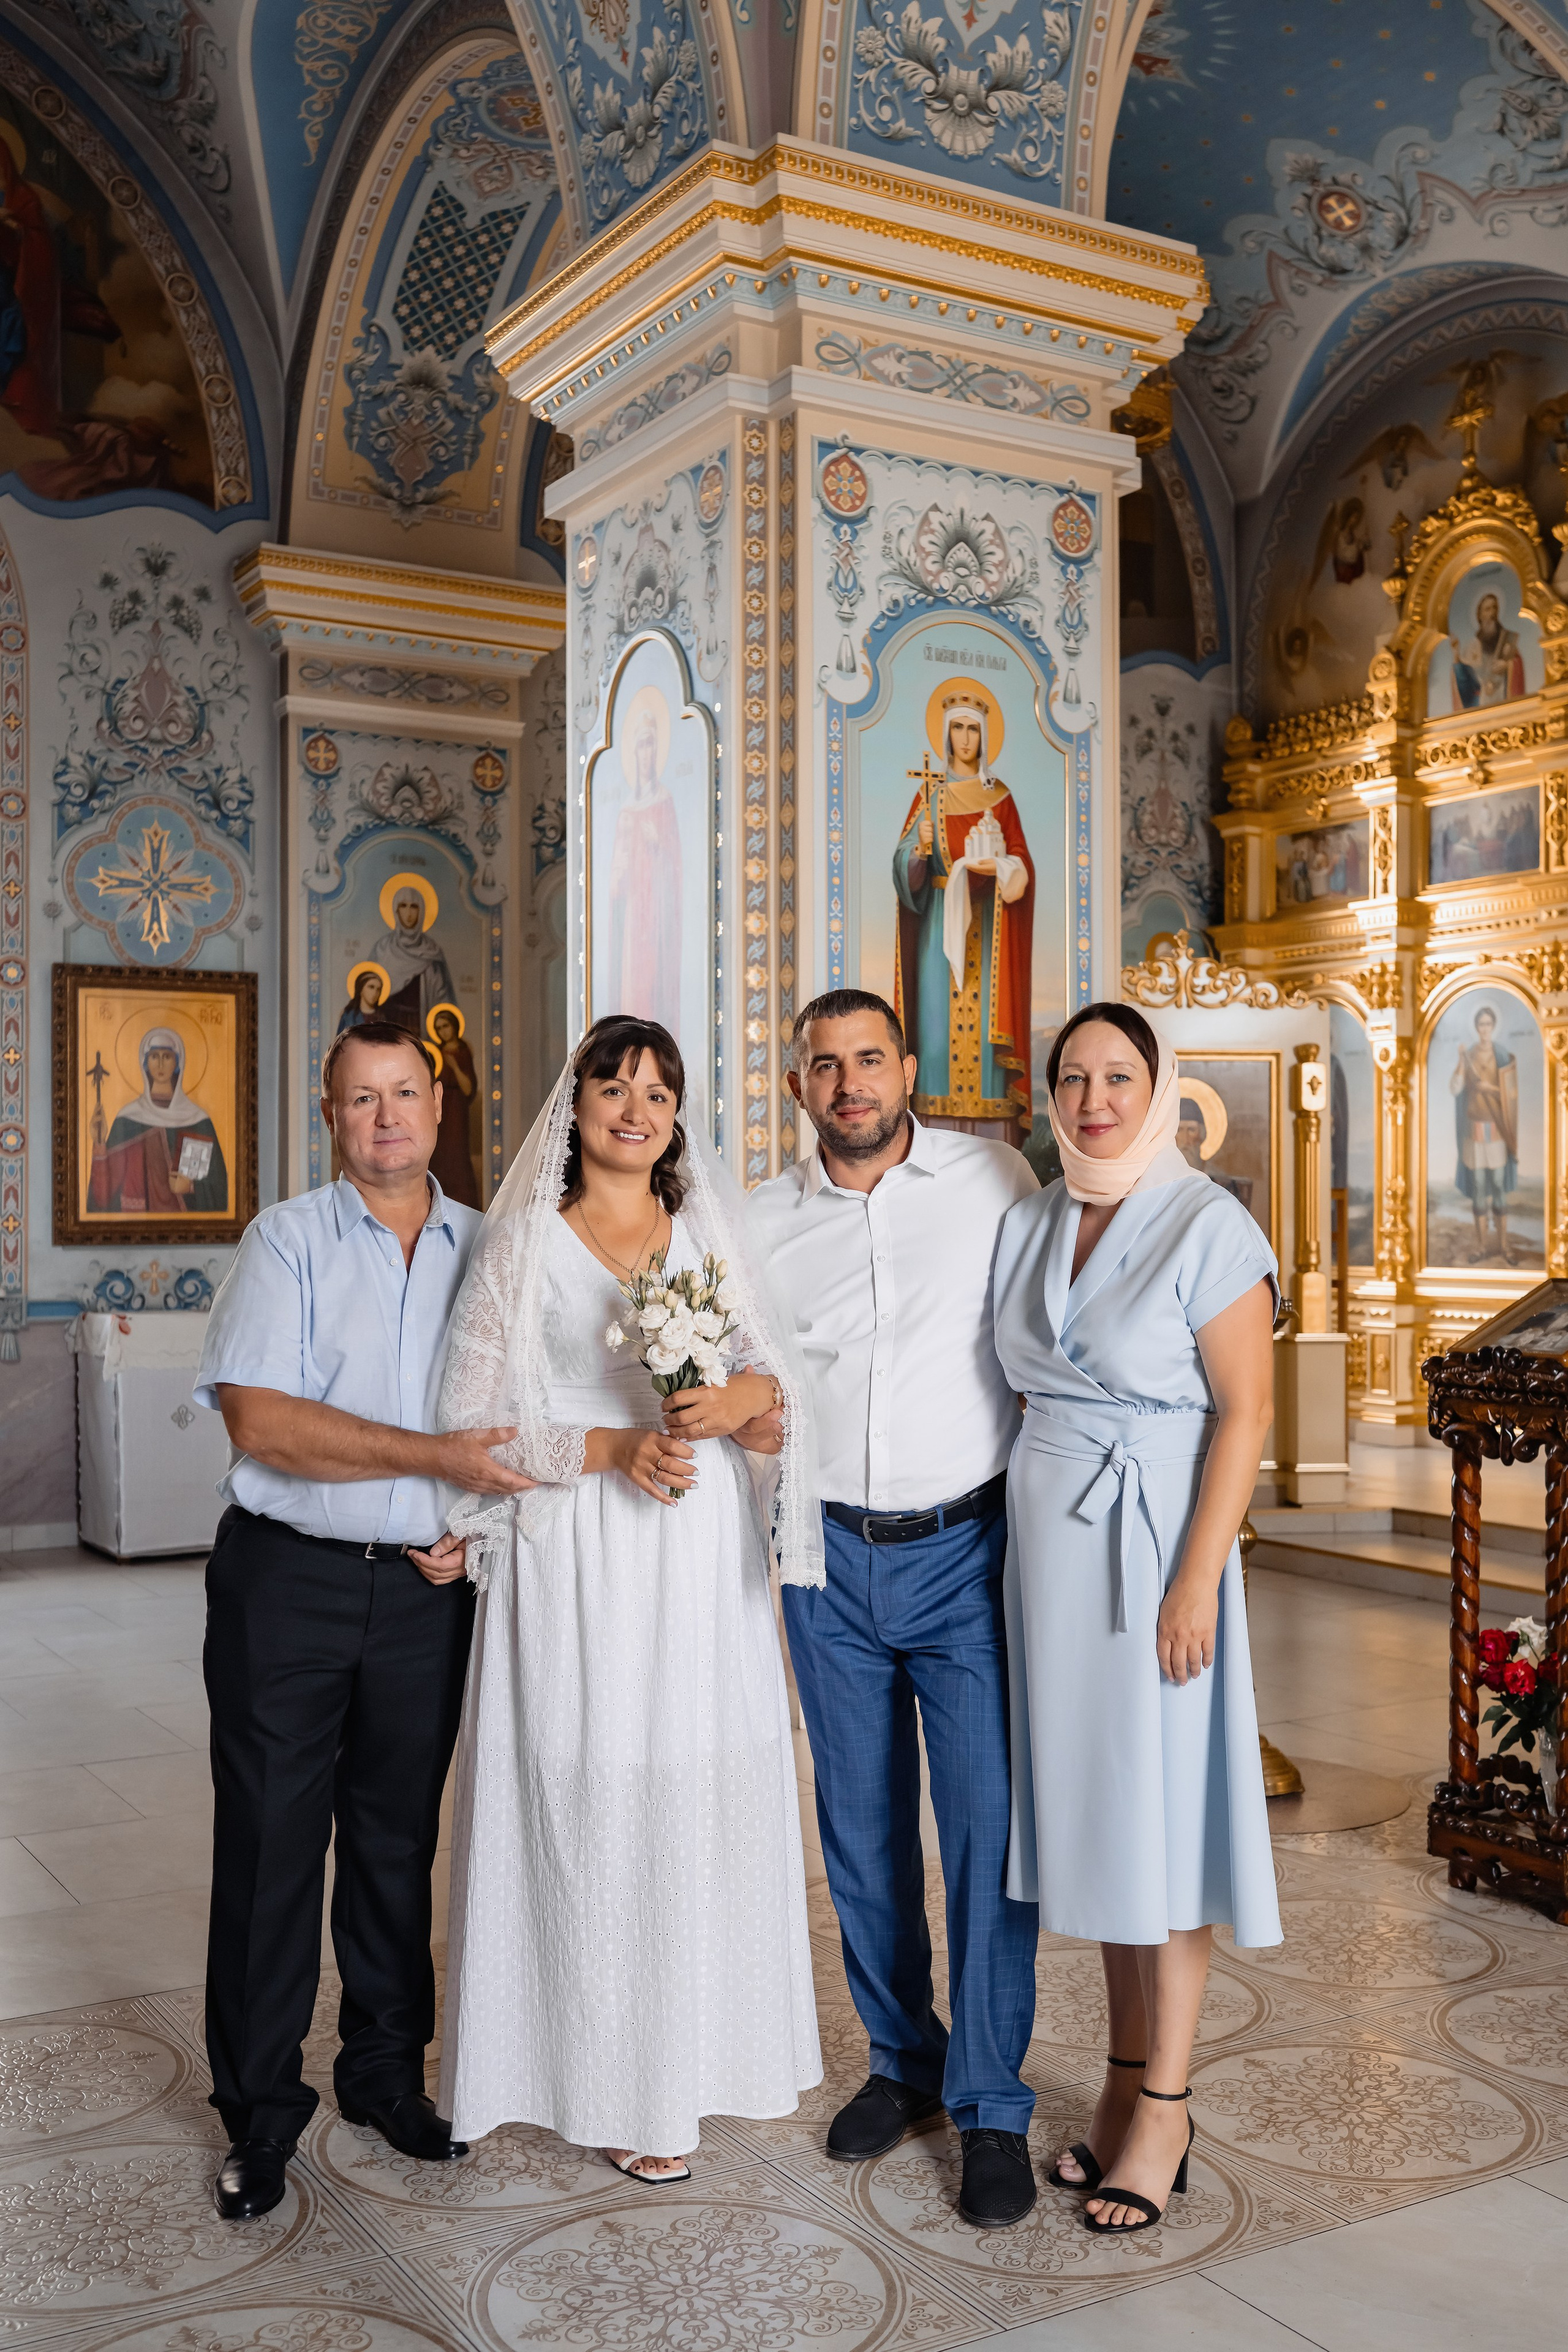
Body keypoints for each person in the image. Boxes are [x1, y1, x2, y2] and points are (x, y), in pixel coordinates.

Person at [434, 1014, 821, 2179]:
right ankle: (597, 2074)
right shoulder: (525, 1243)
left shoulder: (703, 1229)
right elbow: (472, 1424)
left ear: (677, 1114)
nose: (636, 1107)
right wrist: (610, 1448)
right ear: (579, 1104)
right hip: (582, 1556)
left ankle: (696, 2057)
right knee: (590, 1787)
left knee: (693, 1787)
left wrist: (736, 1391)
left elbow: (775, 1397)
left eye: (658, 1090)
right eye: (614, 1085)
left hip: (694, 1553)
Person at [192, 1019, 532, 2222]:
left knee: (395, 1850)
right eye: (359, 1099)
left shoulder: (491, 1249)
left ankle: (387, 2080)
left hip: (421, 1597)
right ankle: (258, 2115)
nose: (385, 1117)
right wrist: (428, 1458)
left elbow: (515, 1421)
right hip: (285, 1584)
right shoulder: (284, 1240)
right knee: (272, 1849)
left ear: (438, 1111)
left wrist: (464, 1520)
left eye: (404, 1095)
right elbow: (263, 1424)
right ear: (329, 1116)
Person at [745, 989, 1042, 2229]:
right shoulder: (757, 1221)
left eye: (869, 1059)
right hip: (828, 1562)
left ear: (906, 1066)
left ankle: (985, 2106)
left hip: (963, 1553)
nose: (850, 1083)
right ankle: (898, 2059)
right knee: (859, 1833)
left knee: (983, 1836)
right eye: (825, 1065)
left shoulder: (995, 1182)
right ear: (797, 1086)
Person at [994, 1001, 1280, 2236]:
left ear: (1160, 1089)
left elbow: (1245, 1416)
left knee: (1163, 1826)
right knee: (1105, 1831)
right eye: (1073, 1078)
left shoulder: (1206, 1223)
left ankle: (1164, 2103)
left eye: (1117, 1076)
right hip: (1049, 1565)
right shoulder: (1033, 1217)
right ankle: (1118, 2085)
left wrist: (1192, 1580)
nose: (1093, 1098)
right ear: (1049, 1095)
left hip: (1155, 1548)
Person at [892, 695, 1035, 1139]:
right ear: (947, 735)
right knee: (936, 1032)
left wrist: (1002, 868)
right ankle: (934, 1132)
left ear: (984, 736)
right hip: (939, 927)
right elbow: (904, 869)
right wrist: (919, 850)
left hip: (989, 929)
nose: (966, 738)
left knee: (987, 1042)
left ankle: (994, 1138)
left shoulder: (1000, 798)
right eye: (959, 728)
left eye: (974, 729)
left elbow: (1022, 862)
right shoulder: (930, 795)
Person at [1451, 1002, 1518, 1264]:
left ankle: (1504, 1246)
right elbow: (1455, 1088)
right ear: (1477, 1028)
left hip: (1497, 1132)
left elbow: (1510, 1095)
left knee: (1499, 1186)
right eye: (1481, 1024)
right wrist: (1460, 1064)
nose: (1485, 1029)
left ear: (1494, 1027)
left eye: (1489, 1024)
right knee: (1479, 1187)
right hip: (1475, 1131)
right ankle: (1481, 1246)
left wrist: (1488, 1089)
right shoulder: (1467, 1056)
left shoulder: (1503, 1056)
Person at [370, 884, 458, 1033]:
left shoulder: (432, 952)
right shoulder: (383, 949)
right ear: (396, 911)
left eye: (414, 907)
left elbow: (442, 1000)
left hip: (419, 1026)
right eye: (403, 906)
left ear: (422, 911)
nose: (409, 913)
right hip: (387, 1026)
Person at [428, 1005, 480, 1209]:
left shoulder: (463, 1052)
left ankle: (463, 1205)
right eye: (439, 1028)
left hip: (457, 1110)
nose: (443, 1031)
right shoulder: (437, 1053)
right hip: (440, 1109)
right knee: (440, 1156)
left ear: (455, 1026)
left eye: (446, 1026)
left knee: (457, 1156)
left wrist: (455, 1065)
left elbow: (468, 1089)